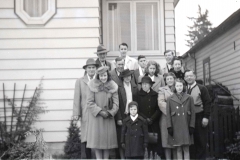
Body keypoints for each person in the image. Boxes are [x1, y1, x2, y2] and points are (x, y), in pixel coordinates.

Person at [86, 66, 119, 159]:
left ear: (108, 75)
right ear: (98, 76)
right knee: (98, 142)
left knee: (107, 143)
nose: (103, 78)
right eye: (101, 76)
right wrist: (100, 112)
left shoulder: (113, 85)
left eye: (104, 75)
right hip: (97, 118)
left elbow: (116, 103)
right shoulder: (92, 85)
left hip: (108, 118)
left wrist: (110, 112)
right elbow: (89, 102)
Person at [72, 58, 99, 159]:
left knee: (97, 137)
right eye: (89, 68)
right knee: (86, 138)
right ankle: (87, 157)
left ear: (96, 69)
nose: (91, 70)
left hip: (97, 113)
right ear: (86, 69)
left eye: (93, 68)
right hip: (85, 113)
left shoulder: (99, 80)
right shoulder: (80, 81)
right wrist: (76, 113)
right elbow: (77, 98)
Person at [184, 70, 211, 160]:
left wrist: (206, 117)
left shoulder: (202, 88)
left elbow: (207, 103)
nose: (189, 77)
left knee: (201, 141)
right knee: (191, 142)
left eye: (191, 76)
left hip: (199, 117)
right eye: (187, 76)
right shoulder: (184, 89)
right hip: (187, 119)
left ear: (195, 77)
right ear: (184, 78)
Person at [166, 79, 195, 160]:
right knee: (178, 148)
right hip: (176, 126)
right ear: (174, 87)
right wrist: (169, 127)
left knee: (186, 148)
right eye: (177, 86)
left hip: (186, 125)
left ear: (183, 86)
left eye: (181, 86)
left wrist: (192, 126)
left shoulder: (189, 98)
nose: (179, 88)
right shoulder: (170, 99)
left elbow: (193, 113)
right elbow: (168, 114)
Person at [115, 69, 138, 159]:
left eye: (129, 76)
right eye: (126, 76)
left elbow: (136, 101)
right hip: (123, 115)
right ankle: (122, 157)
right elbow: (117, 103)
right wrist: (119, 118)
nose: (128, 78)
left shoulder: (134, 86)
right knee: (122, 137)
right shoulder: (119, 87)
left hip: (132, 115)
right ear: (122, 78)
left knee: (131, 137)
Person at [137, 76, 162, 158]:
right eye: (143, 84)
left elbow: (158, 109)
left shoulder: (155, 95)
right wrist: (145, 119)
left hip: (154, 122)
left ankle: (155, 157)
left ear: (150, 85)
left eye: (146, 84)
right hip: (142, 122)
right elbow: (137, 110)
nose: (144, 86)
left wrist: (152, 118)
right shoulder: (137, 95)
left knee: (154, 141)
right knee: (143, 142)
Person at [158, 72, 177, 159]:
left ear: (174, 79)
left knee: (176, 140)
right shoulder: (162, 90)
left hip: (178, 117)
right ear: (165, 80)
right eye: (167, 79)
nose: (169, 80)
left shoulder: (178, 88)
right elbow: (161, 102)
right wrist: (171, 112)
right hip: (166, 117)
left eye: (171, 78)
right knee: (166, 141)